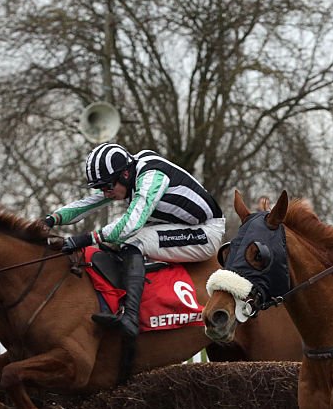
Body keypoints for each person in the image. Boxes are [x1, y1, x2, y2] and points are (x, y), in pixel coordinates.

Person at [41, 143, 225, 337]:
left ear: (125, 175)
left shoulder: (151, 177)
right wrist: (51, 220)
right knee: (119, 240)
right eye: (101, 188)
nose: (105, 193)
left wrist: (86, 238)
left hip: (205, 233)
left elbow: (132, 223)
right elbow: (87, 204)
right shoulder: (126, 173)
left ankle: (130, 317)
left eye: (107, 187)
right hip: (185, 225)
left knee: (133, 240)